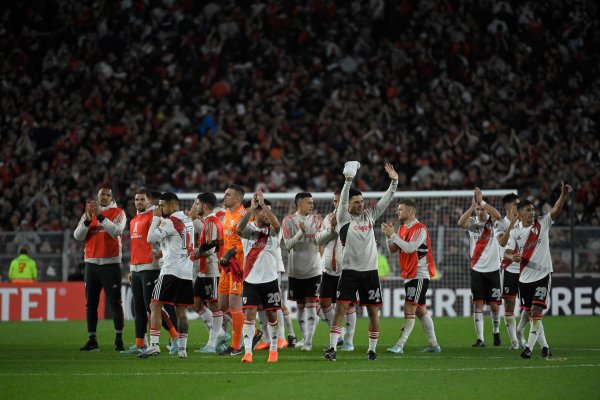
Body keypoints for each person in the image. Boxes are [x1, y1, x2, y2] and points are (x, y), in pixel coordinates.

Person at [324, 162, 398, 362]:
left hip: (370, 272)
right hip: (349, 272)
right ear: (348, 205)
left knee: (373, 311)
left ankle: (372, 350)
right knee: (340, 309)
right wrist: (348, 181)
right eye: (356, 202)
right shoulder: (343, 219)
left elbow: (386, 200)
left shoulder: (370, 216)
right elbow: (343, 201)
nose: (361, 204)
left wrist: (394, 182)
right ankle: (332, 347)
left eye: (362, 201)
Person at [504, 183, 572, 359]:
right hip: (524, 279)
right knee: (530, 314)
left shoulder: (543, 223)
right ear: (519, 214)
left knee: (536, 312)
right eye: (528, 210)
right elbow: (507, 251)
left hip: (543, 275)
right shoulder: (515, 232)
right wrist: (513, 258)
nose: (532, 212)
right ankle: (545, 347)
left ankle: (528, 348)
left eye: (533, 209)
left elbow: (556, 210)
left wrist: (563, 195)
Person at [121, 189, 179, 355]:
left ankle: (175, 337)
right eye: (136, 199)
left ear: (149, 200)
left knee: (152, 306)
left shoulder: (156, 217)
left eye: (142, 199)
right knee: (139, 308)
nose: (138, 202)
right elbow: (135, 246)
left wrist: (161, 260)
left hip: (151, 267)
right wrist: (132, 268)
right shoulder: (134, 220)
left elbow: (164, 239)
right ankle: (140, 343)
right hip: (137, 268)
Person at [138, 192, 195, 358]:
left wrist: (156, 218)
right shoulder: (188, 220)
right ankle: (183, 350)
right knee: (181, 312)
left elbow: (150, 238)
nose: (160, 208)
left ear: (172, 205)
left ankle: (154, 346)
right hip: (186, 272)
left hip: (171, 270)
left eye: (162, 205)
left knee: (154, 305)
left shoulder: (170, 222)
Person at [382, 199, 441, 354]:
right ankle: (434, 345)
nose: (397, 212)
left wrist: (393, 235)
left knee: (409, 307)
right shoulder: (402, 228)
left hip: (419, 275)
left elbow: (409, 248)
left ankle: (400, 345)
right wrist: (388, 236)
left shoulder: (420, 229)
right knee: (421, 311)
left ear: (410, 212)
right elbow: (393, 250)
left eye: (400, 209)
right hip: (409, 275)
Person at [74, 186, 126, 352]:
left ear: (112, 197)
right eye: (102, 194)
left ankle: (118, 339)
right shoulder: (88, 213)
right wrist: (88, 220)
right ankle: (92, 340)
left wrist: (100, 216)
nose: (105, 197)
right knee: (91, 305)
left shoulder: (119, 212)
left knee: (115, 303)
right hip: (91, 264)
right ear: (97, 196)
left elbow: (116, 231)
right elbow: (78, 236)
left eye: (108, 194)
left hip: (110, 264)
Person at [237, 190, 282, 363]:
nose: (266, 214)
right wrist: (251, 208)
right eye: (263, 211)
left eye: (268, 210)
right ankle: (248, 352)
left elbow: (277, 226)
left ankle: (273, 349)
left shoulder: (273, 232)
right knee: (249, 315)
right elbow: (238, 229)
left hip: (270, 280)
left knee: (271, 316)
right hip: (251, 280)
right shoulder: (249, 230)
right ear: (255, 213)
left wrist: (263, 205)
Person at [458, 187, 503, 347]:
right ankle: (480, 339)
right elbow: (460, 222)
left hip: (493, 269)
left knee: (494, 306)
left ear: (487, 208)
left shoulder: (494, 223)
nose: (480, 212)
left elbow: (498, 215)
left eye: (482, 209)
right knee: (477, 303)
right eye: (478, 209)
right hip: (476, 269)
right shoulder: (473, 223)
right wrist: (472, 206)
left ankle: (496, 331)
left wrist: (481, 200)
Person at [189, 192, 230, 353]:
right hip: (203, 270)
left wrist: (192, 254)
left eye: (197, 204)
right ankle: (220, 333)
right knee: (195, 304)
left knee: (214, 305)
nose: (195, 206)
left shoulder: (212, 222)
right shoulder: (207, 221)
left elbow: (211, 249)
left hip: (212, 270)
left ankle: (212, 344)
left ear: (205, 206)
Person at [315, 190, 356, 351]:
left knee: (348, 306)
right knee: (324, 303)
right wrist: (331, 229)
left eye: (339, 200)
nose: (336, 203)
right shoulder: (328, 218)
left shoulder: (353, 219)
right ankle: (339, 332)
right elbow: (319, 240)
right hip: (329, 269)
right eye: (334, 201)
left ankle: (349, 341)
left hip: (347, 268)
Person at [282, 192, 322, 351]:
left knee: (312, 306)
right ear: (300, 204)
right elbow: (288, 245)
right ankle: (304, 337)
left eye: (312, 202)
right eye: (309, 203)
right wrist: (301, 232)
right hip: (296, 271)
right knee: (300, 306)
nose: (312, 205)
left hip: (314, 269)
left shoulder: (317, 219)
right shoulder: (289, 220)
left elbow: (321, 241)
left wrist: (325, 230)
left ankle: (308, 342)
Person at [218, 184, 255, 356]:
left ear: (237, 199)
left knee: (234, 305)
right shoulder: (226, 213)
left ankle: (236, 346)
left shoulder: (243, 215)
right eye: (225, 194)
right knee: (222, 305)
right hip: (225, 266)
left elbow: (248, 240)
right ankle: (253, 332)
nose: (224, 197)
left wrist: (232, 252)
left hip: (238, 266)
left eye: (228, 195)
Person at [495, 192, 523, 349]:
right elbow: (501, 242)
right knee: (509, 305)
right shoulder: (499, 224)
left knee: (529, 306)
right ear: (507, 207)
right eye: (516, 204)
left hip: (526, 269)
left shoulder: (525, 222)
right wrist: (512, 224)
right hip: (508, 269)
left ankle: (522, 335)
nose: (518, 207)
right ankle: (514, 340)